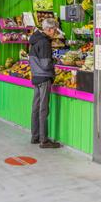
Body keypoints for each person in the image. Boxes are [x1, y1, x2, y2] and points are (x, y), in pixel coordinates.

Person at [28, 18, 61, 149]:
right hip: (44, 78)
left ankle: (34, 136)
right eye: (54, 30)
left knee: (35, 108)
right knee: (43, 109)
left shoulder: (34, 40)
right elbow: (46, 64)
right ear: (49, 29)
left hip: (36, 76)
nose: (55, 32)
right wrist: (55, 61)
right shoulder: (45, 43)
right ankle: (44, 140)